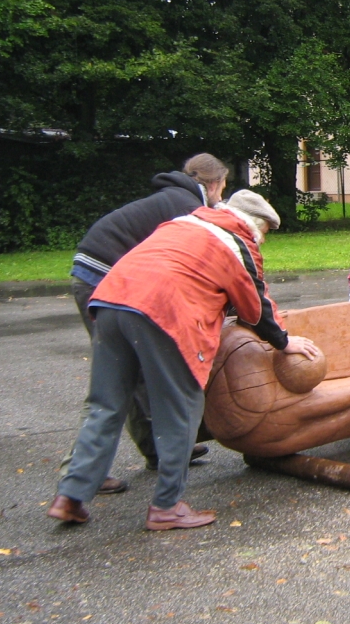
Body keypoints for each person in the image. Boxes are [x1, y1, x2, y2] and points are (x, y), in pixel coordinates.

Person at [48, 190, 319, 530]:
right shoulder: (238, 243)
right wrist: (284, 341)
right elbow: (255, 305)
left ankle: (71, 495)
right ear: (257, 225)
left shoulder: (183, 223)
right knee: (180, 407)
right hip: (162, 313)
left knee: (106, 403)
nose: (263, 241)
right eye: (265, 234)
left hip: (110, 302)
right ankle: (166, 506)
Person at [62, 153, 229, 494]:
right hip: (105, 280)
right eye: (224, 185)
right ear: (213, 184)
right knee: (113, 380)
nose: (223, 193)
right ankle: (77, 473)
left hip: (96, 274)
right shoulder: (188, 208)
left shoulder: (175, 197)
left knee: (129, 373)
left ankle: (155, 451)